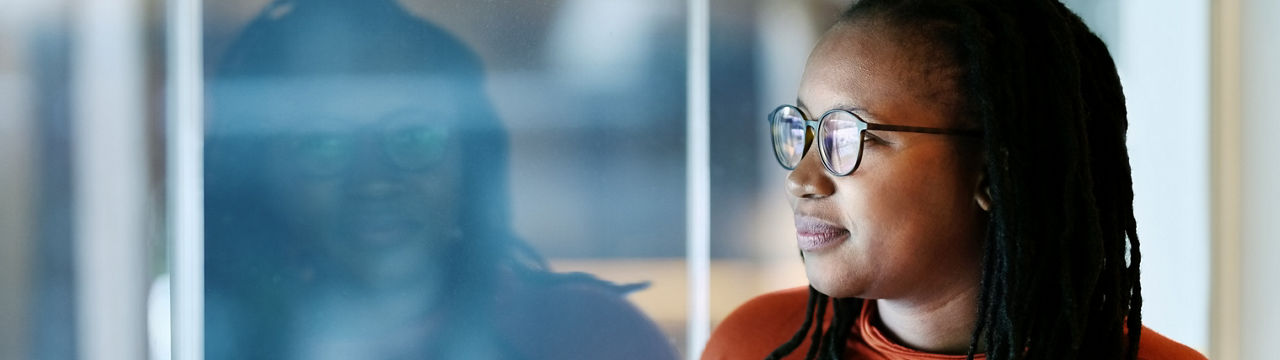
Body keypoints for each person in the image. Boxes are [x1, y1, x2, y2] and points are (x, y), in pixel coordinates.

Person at [703, 0, 1206, 359]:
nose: (800, 178)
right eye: (805, 129)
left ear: (993, 171)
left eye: (849, 136)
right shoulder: (755, 342)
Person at [202, 0, 676, 359]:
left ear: (471, 159)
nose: (374, 180)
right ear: (266, 177)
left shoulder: (583, 337)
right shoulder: (212, 336)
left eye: (414, 136)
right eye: (323, 145)